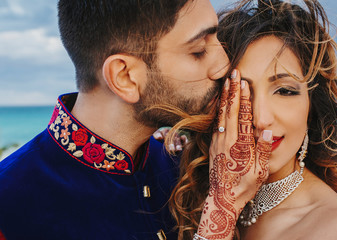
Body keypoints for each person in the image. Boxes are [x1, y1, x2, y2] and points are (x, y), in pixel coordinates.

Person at [0, 0, 229, 239]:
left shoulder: (186, 165)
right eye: (199, 51)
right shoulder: (9, 208)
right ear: (125, 77)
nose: (223, 64)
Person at [163, 0, 337, 239]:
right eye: (240, 92)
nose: (261, 119)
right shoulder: (186, 185)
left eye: (285, 91)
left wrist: (222, 204)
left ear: (312, 108)